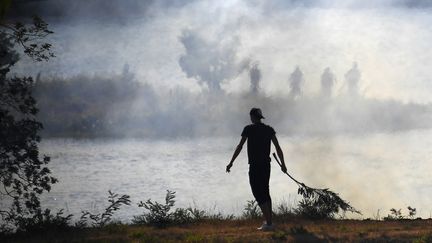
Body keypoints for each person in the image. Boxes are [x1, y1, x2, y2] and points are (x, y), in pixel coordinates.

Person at [226, 108, 287, 231]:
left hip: (255, 165)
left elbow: (240, 146)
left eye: (251, 116)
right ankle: (270, 222)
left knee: (257, 192)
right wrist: (283, 164)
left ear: (253, 117)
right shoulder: (269, 130)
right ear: (260, 117)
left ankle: (269, 223)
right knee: (265, 191)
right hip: (266, 165)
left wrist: (231, 162)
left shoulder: (248, 129)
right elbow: (278, 148)